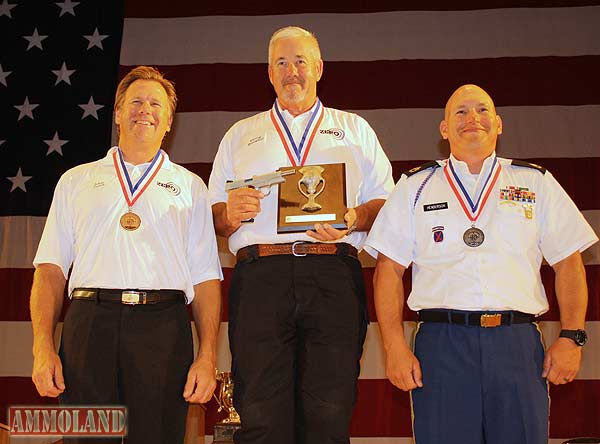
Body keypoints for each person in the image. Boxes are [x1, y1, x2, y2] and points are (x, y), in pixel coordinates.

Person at [365, 84, 598, 444]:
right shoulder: (414, 187)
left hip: (516, 343)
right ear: (444, 130)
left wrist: (572, 337)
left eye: (482, 110)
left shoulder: (535, 183)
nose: (472, 118)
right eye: (460, 112)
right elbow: (388, 271)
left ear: (499, 124)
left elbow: (569, 263)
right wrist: (394, 347)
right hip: (442, 345)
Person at [208, 26, 394, 444]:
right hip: (260, 277)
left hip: (333, 274)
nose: (292, 72)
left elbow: (388, 205)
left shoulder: (355, 129)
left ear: (319, 68)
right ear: (269, 74)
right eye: (281, 63)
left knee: (329, 412)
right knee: (259, 412)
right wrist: (229, 215)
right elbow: (213, 214)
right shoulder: (240, 134)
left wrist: (354, 216)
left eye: (300, 62)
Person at [30, 66, 223, 444]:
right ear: (117, 113)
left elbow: (205, 278)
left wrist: (207, 355)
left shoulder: (190, 187)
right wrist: (42, 345)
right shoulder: (76, 181)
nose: (144, 110)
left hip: (163, 328)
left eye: (156, 104)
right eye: (135, 101)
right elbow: (51, 269)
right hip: (89, 323)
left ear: (169, 121)